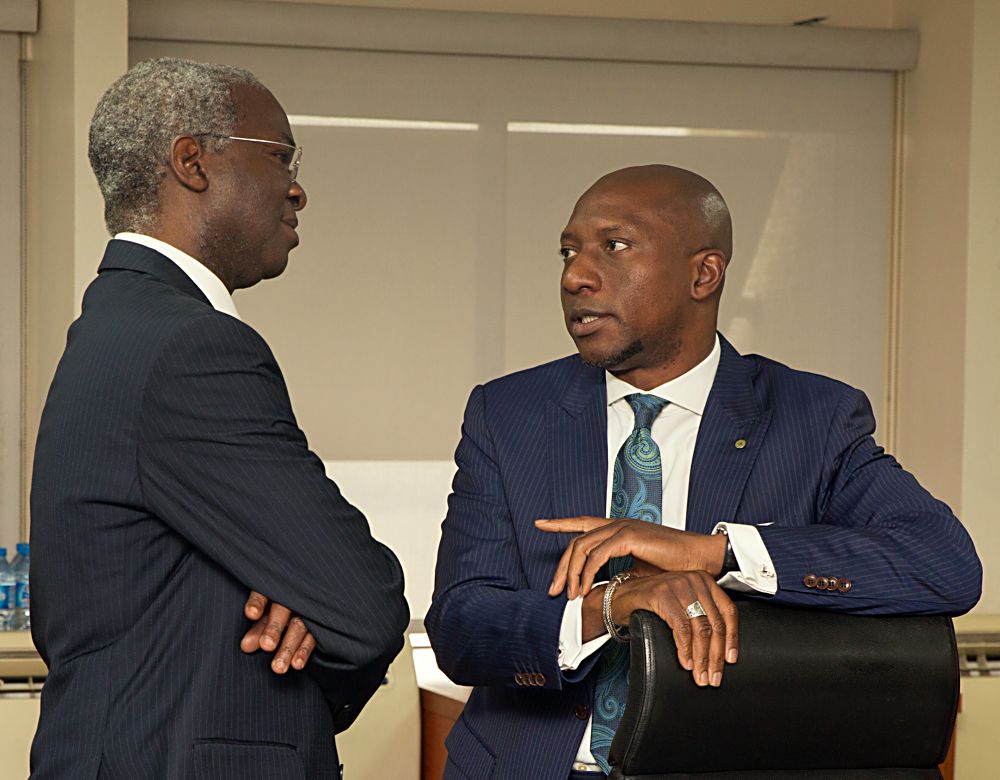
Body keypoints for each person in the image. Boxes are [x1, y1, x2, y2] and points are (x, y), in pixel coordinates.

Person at [425, 164, 982, 780]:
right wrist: (610, 605)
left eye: (614, 246)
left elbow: (943, 565)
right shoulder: (508, 414)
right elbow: (460, 625)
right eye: (568, 252)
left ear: (703, 274)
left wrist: (716, 554)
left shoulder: (813, 417)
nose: (575, 276)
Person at [29, 58, 408, 780]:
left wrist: (306, 605)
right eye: (280, 158)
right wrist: (310, 624)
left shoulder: (118, 327)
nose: (297, 187)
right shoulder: (191, 346)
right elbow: (364, 606)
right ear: (192, 162)